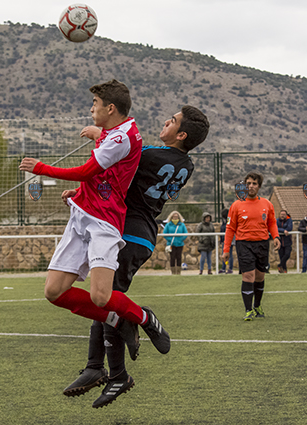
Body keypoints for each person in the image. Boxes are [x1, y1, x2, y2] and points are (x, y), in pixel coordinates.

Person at [61, 105, 209, 408]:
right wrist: (82, 195)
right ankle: (97, 367)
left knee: (106, 299)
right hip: (137, 231)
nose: (166, 121)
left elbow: (118, 157)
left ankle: (115, 372)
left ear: (181, 135)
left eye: (173, 120)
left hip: (127, 231)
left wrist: (100, 134)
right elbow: (121, 182)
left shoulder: (151, 155)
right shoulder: (185, 164)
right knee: (105, 299)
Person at [222, 172, 280, 321]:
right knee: (248, 275)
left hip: (262, 243)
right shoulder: (236, 205)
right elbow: (230, 228)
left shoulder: (267, 204)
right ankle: (248, 310)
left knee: (260, 276)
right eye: (248, 183)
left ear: (259, 186)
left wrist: (276, 237)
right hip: (244, 244)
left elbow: (272, 223)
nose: (251, 186)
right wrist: (226, 249)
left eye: (254, 183)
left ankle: (257, 306)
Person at [219, 208, 234, 274]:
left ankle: (229, 268)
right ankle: (224, 268)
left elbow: (228, 229)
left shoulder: (229, 221)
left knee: (228, 254)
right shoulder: (224, 221)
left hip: (229, 240)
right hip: (225, 240)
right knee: (225, 254)